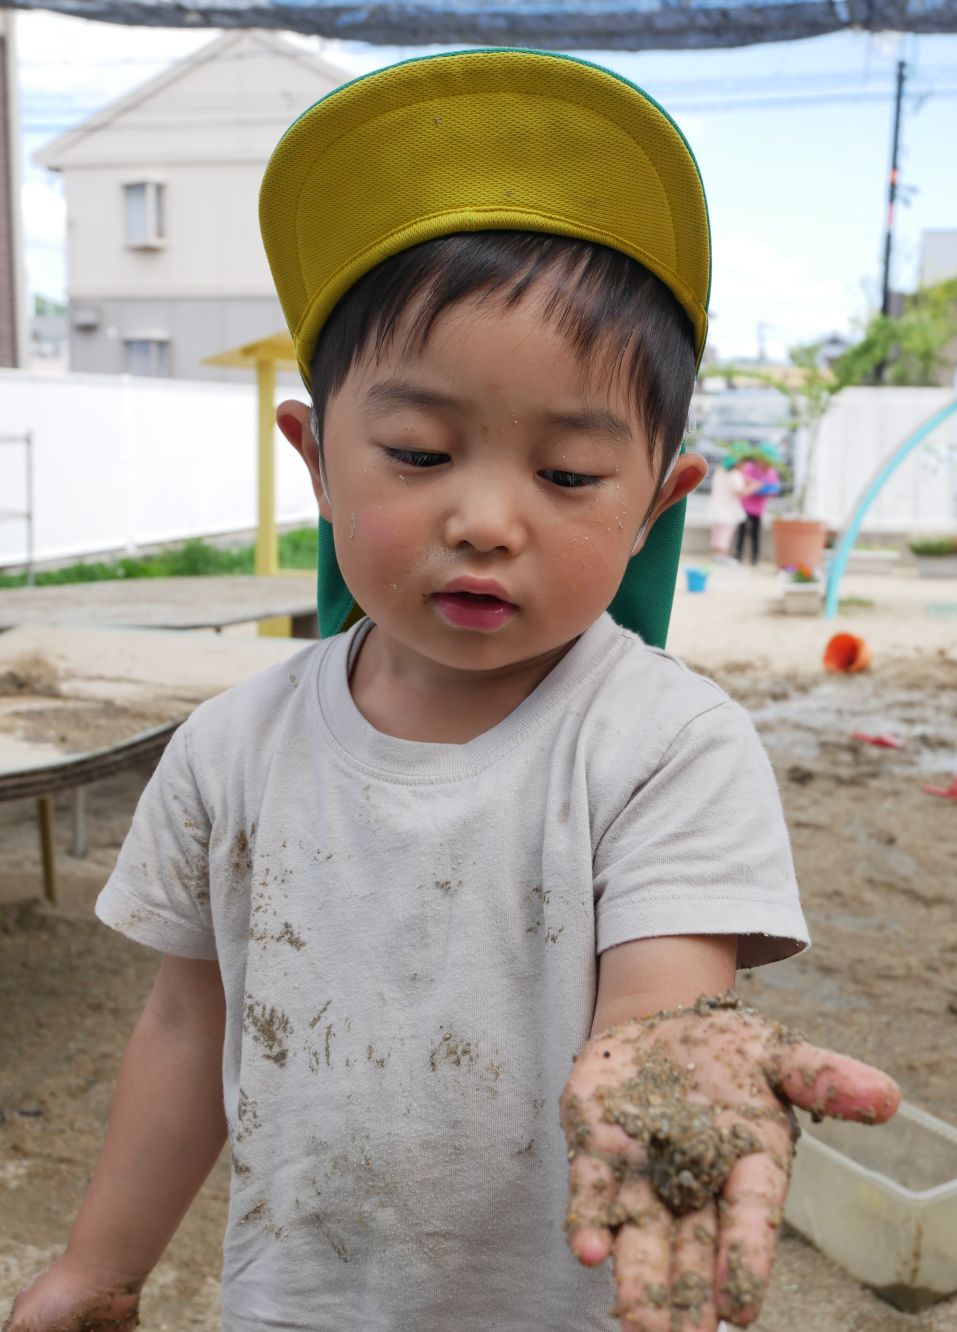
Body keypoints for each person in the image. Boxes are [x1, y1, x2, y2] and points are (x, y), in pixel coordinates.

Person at [6, 50, 898, 1332]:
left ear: (658, 503)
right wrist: (102, 1265)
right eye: (419, 453)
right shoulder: (229, 751)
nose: (484, 519)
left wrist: (670, 1075)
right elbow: (187, 1030)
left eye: (571, 475)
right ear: (316, 458)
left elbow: (660, 1000)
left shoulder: (665, 745)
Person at [734, 449, 783, 566]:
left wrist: (763, 489)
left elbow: (774, 488)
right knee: (742, 531)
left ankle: (755, 557)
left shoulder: (771, 472)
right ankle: (738, 555)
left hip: (758, 508)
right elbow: (743, 478)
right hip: (745, 506)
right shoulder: (750, 467)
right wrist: (754, 484)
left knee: (755, 533)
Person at [707, 451, 749, 563]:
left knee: (717, 533)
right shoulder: (735, 475)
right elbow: (740, 491)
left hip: (716, 507)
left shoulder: (719, 473)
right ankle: (723, 558)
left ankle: (716, 556)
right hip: (729, 509)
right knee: (726, 533)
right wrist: (755, 486)